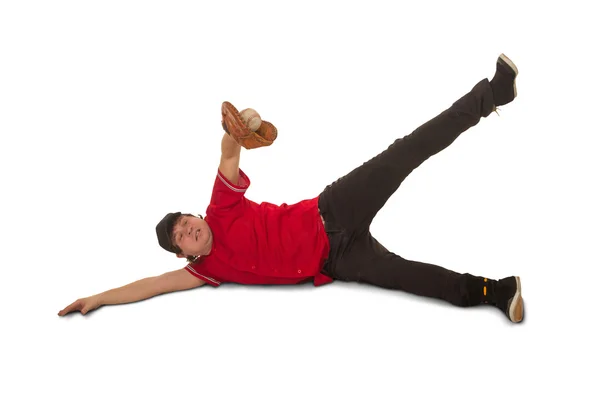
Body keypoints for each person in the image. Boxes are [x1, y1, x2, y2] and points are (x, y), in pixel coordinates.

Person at [58, 53, 525, 323]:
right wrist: (98, 297)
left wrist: (236, 132)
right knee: (413, 278)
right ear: (185, 254)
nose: (188, 229)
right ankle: (497, 292)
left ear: (196, 217)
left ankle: (492, 94)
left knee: (408, 150)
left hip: (333, 209)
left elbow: (227, 154)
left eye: (185, 222)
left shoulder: (220, 208)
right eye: (180, 236)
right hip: (336, 261)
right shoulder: (206, 271)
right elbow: (151, 286)